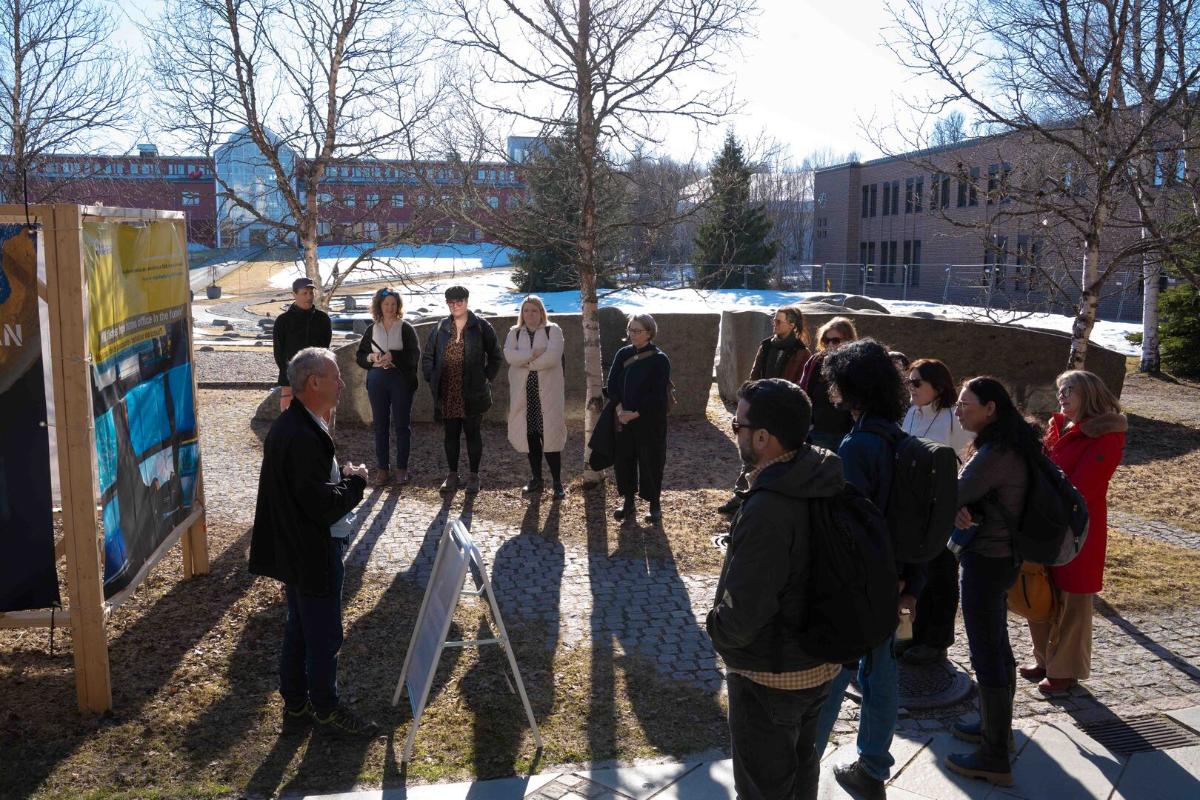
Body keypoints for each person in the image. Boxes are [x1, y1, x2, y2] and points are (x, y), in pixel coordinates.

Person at [707, 379, 843, 800]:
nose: (734, 431)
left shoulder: (768, 506)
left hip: (768, 676)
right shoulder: (821, 474)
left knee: (764, 791)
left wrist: (717, 630)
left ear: (763, 437)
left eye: (737, 424)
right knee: (802, 778)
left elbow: (746, 609)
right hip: (818, 666)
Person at [249, 347, 379, 738]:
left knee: (300, 627)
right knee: (322, 634)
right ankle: (325, 709)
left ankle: (295, 702)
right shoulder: (303, 435)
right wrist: (356, 480)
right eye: (335, 376)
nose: (341, 383)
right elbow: (322, 508)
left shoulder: (296, 425)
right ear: (314, 383)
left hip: (297, 549)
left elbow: (308, 495)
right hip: (312, 551)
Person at [810, 338, 920, 800]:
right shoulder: (902, 437)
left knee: (833, 669)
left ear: (849, 387)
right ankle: (873, 767)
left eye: (835, 383)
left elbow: (849, 525)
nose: (831, 392)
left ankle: (801, 759)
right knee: (882, 672)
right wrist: (911, 582)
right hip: (899, 577)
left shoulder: (858, 446)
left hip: (863, 581)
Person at [945, 376, 1038, 786]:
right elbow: (969, 497)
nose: (959, 410)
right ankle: (991, 727)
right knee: (996, 644)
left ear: (991, 409)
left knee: (987, 651)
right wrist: (964, 507)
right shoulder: (1007, 442)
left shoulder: (997, 450)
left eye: (966, 403)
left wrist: (957, 505)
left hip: (988, 558)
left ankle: (994, 754)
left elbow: (953, 492)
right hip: (1001, 556)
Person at [1024, 370, 1126, 696]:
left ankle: (1064, 671)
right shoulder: (1059, 427)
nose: (1062, 396)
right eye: (1060, 390)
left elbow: (1083, 487)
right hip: (1046, 524)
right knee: (1042, 594)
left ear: (1089, 394)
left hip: (1079, 530)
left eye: (1069, 390)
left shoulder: (1106, 434)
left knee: (1073, 599)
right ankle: (1044, 659)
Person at [899, 358, 975, 666]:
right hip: (910, 508)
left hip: (941, 509)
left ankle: (937, 640)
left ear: (938, 387)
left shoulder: (952, 419)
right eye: (909, 382)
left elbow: (969, 461)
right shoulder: (910, 413)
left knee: (939, 578)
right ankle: (905, 635)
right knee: (908, 577)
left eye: (917, 383)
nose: (911, 388)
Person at [718, 305, 813, 517]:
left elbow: (799, 385)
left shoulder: (801, 352)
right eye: (774, 321)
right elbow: (754, 375)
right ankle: (740, 495)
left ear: (792, 324)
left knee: (775, 456)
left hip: (781, 413)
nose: (775, 324)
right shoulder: (767, 345)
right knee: (750, 453)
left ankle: (767, 498)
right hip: (759, 408)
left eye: (779, 321)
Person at [421, 285, 504, 495]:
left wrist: (485, 377)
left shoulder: (481, 327)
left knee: (473, 434)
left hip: (472, 390)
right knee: (450, 434)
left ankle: (474, 476)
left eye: (459, 302)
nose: (455, 306)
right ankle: (452, 474)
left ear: (467, 301)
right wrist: (432, 378)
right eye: (451, 302)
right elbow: (428, 356)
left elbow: (495, 356)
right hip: (447, 390)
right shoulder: (440, 327)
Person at [607, 313, 671, 525]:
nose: (633, 334)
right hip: (622, 417)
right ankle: (628, 502)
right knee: (624, 460)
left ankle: (654, 504)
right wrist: (620, 411)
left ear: (650, 332)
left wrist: (635, 413)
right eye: (630, 330)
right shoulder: (622, 354)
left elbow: (658, 394)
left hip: (649, 420)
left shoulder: (659, 359)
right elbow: (612, 384)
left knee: (651, 460)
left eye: (638, 331)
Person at [504, 295, 568, 498]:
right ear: (521, 313)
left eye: (534, 310)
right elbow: (509, 356)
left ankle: (557, 482)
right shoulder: (514, 333)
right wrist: (533, 354)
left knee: (550, 437)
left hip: (548, 395)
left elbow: (552, 358)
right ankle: (536, 479)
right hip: (525, 396)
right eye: (526, 310)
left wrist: (525, 362)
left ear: (541, 312)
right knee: (530, 436)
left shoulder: (553, 330)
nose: (530, 314)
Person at [355, 288, 420, 486]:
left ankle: (402, 469)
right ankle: (383, 469)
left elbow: (414, 355)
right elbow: (360, 355)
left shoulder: (405, 327)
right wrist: (372, 357)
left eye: (393, 304)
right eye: (386, 304)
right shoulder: (372, 328)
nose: (390, 307)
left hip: (400, 379)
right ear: (379, 306)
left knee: (402, 426)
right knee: (380, 426)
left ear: (398, 306)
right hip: (377, 379)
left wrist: (395, 356)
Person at [273, 277, 333, 416]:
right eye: (304, 293)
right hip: (290, 376)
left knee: (319, 421)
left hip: (317, 375)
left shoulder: (323, 319)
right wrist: (289, 375)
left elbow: (325, 348)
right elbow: (279, 353)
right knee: (291, 424)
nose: (309, 297)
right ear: (294, 294)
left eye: (311, 293)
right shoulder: (283, 321)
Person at [799, 316, 857, 451]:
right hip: (818, 432)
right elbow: (803, 391)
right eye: (826, 340)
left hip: (848, 434)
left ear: (848, 340)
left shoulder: (857, 363)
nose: (830, 344)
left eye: (836, 340)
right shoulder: (816, 362)